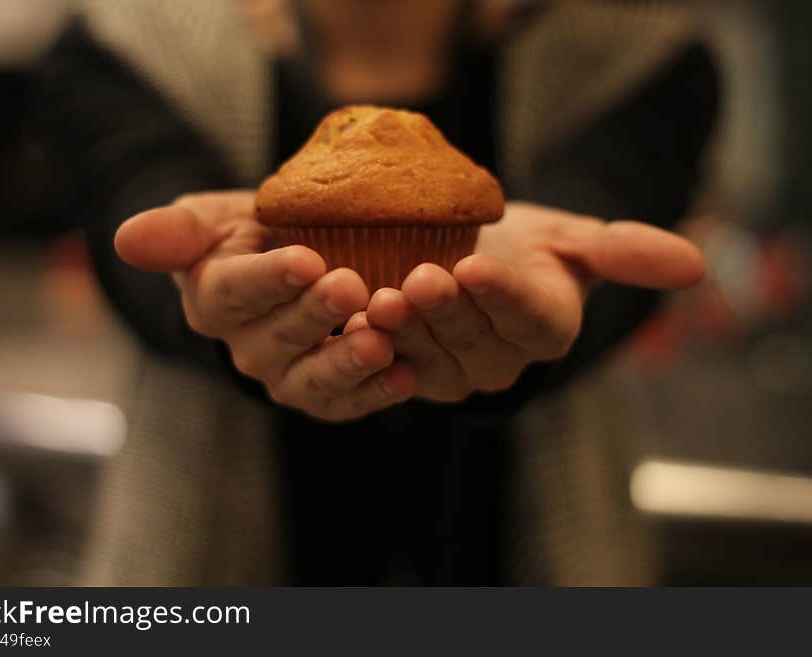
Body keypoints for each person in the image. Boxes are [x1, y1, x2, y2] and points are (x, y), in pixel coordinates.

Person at [39, 0, 718, 584]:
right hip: (204, 555)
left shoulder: (640, 56)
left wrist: (550, 308)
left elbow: (604, 229)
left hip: (537, 552)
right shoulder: (125, 44)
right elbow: (141, 227)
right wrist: (210, 301)